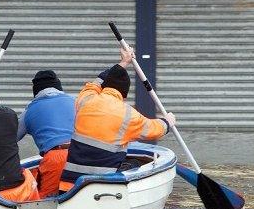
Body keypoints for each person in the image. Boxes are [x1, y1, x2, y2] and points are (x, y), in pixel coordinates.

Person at [61, 47, 176, 190]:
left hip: (67, 185)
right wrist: (168, 121)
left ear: (104, 87)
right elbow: (154, 130)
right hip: (100, 186)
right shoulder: (128, 115)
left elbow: (96, 82)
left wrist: (124, 62)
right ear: (124, 94)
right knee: (134, 164)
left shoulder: (85, 99)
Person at [17, 70, 75, 198]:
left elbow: (11, 137)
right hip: (80, 155)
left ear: (36, 91)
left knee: (47, 206)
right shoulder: (75, 102)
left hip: (55, 159)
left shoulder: (29, 111)